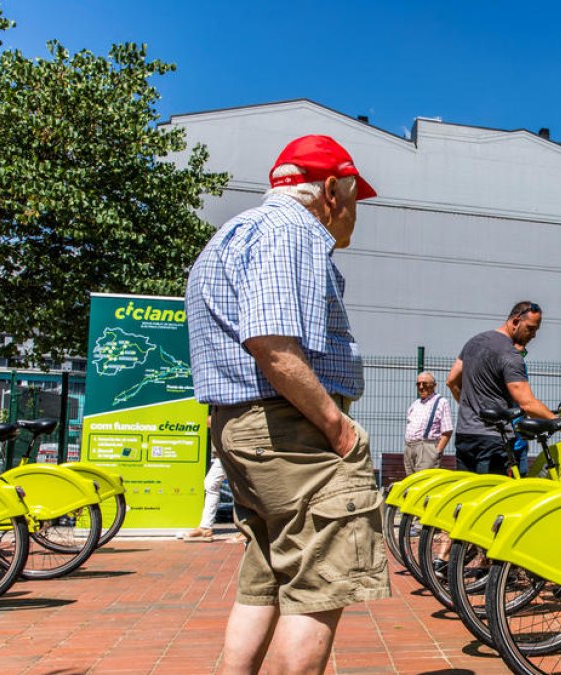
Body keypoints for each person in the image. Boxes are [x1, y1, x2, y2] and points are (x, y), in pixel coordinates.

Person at [185, 134, 389, 675]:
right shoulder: (293, 232)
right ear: (329, 192)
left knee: (265, 578)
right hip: (292, 431)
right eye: (354, 200)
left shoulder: (231, 235)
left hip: (247, 431)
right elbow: (272, 342)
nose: (353, 215)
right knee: (321, 581)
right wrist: (338, 428)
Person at [447, 301, 561, 475]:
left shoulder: (474, 342)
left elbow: (451, 380)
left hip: (465, 435)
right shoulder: (509, 354)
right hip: (493, 440)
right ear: (515, 321)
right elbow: (527, 404)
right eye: (531, 328)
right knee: (494, 498)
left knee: (468, 495)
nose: (533, 335)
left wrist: (472, 408)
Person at [404, 371, 454, 474]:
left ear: (434, 385)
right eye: (418, 384)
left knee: (423, 482)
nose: (421, 387)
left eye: (425, 384)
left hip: (427, 448)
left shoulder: (441, 402)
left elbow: (447, 431)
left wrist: (437, 451)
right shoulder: (415, 404)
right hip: (410, 448)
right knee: (410, 483)